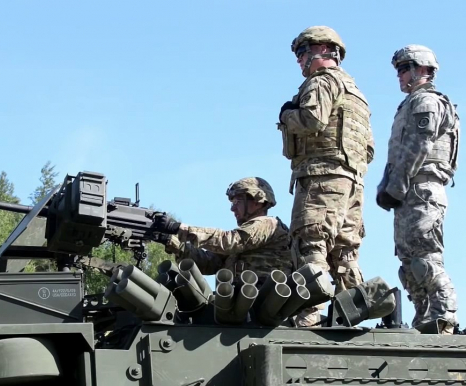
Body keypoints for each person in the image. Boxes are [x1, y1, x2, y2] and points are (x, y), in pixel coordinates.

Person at [277, 26, 374, 327]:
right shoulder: (356, 93)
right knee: (345, 254)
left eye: (302, 53)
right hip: (352, 182)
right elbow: (368, 149)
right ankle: (351, 318)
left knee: (311, 244)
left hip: (320, 177)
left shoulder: (321, 82)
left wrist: (286, 116)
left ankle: (309, 317)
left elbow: (311, 120)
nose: (300, 61)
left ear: (323, 50)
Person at [376, 44, 460, 335]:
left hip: (422, 188)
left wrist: (395, 185)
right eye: (398, 70)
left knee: (425, 258)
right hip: (409, 191)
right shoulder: (409, 104)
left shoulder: (426, 102)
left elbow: (419, 147)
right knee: (409, 264)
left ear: (422, 69)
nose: (399, 76)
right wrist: (387, 186)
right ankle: (425, 318)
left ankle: (443, 314)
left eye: (404, 69)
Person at [152, 177, 292, 282]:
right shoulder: (244, 237)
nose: (232, 208)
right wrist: (172, 242)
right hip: (238, 309)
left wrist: (179, 228)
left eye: (237, 202)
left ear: (256, 201)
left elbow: (230, 241)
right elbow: (209, 263)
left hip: (262, 307)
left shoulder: (268, 224)